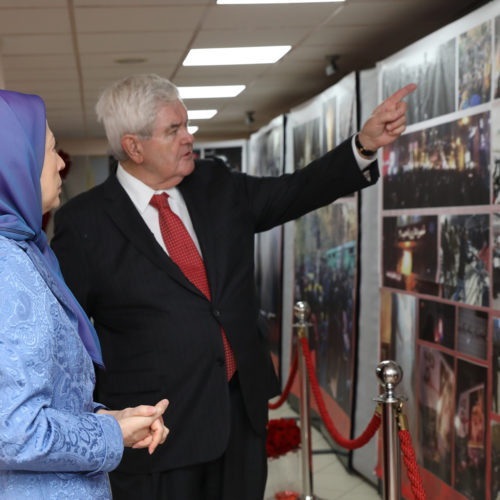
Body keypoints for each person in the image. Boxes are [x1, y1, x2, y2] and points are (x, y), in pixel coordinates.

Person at [51, 73, 416, 500]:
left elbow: (295, 190)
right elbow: (67, 333)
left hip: (239, 414)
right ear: (133, 146)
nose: (189, 138)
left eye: (186, 124)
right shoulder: (85, 222)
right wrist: (94, 421)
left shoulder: (216, 184)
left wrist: (364, 145)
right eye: (174, 130)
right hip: (158, 431)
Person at [0, 89, 170, 500]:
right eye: (51, 150)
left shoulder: (23, 250)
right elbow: (15, 433)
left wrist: (111, 418)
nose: (61, 164)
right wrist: (109, 431)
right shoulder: (8, 269)